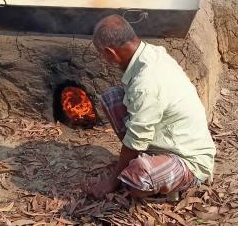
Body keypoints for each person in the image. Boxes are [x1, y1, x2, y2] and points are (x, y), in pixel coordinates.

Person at [85, 15, 216, 199]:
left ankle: (177, 181)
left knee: (137, 179)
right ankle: (145, 160)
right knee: (111, 99)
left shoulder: (145, 83)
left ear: (110, 53)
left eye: (103, 55)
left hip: (188, 158)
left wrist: (112, 181)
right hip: (165, 136)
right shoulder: (150, 52)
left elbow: (136, 137)